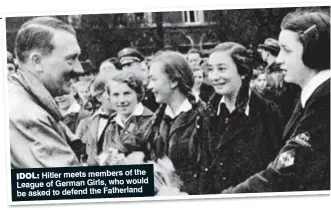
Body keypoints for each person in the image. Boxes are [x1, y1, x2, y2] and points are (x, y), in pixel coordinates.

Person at [222, 9, 330, 193]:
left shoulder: (324, 102)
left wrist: (224, 199)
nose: (279, 59)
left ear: (313, 53)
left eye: (287, 50)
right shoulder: (314, 96)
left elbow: (283, 173)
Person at [199, 42, 284, 194]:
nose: (214, 77)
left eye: (222, 69)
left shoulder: (267, 112)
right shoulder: (208, 114)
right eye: (211, 69)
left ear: (243, 72)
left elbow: (276, 172)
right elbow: (206, 172)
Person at [9, 16, 84, 168]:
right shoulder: (27, 116)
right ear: (37, 62)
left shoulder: (24, 98)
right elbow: (71, 186)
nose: (79, 69)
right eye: (71, 59)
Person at [138, 51, 206, 195]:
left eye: (154, 79)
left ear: (174, 81)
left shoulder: (205, 118)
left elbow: (208, 173)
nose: (149, 86)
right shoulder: (155, 121)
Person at [100, 70, 153, 161]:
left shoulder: (151, 121)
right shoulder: (111, 125)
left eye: (127, 93)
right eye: (115, 95)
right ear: (110, 98)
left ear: (138, 94)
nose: (121, 100)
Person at [76, 71, 116, 164]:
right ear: (99, 97)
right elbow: (78, 155)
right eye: (111, 92)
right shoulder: (86, 123)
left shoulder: (129, 120)